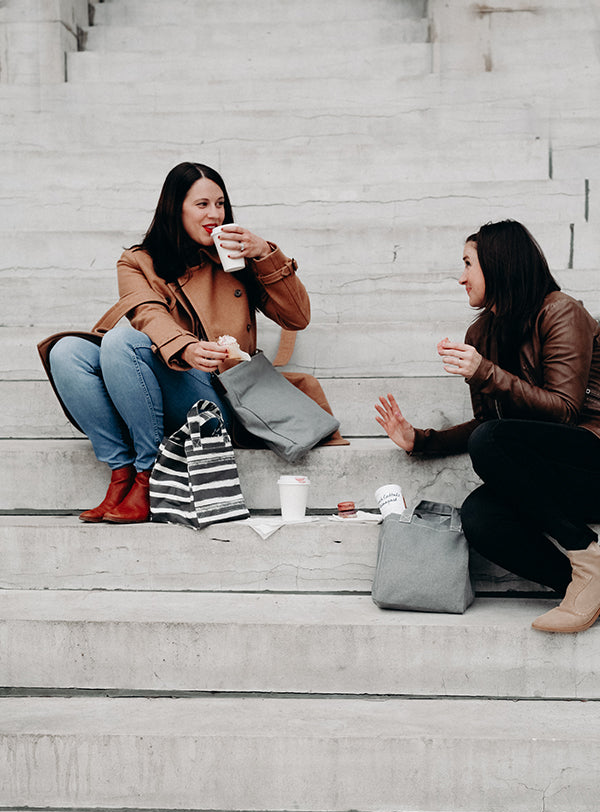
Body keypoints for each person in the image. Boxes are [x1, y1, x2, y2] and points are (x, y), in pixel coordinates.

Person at [39, 161, 333, 524]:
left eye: (220, 204)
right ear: (174, 208)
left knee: (122, 341)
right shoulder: (137, 261)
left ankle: (149, 475)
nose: (214, 214)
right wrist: (185, 347)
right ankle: (121, 474)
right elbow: (147, 312)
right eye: (202, 205)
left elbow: (297, 318)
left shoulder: (235, 259)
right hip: (151, 381)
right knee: (67, 351)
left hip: (219, 397)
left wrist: (264, 254)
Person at [375, 219, 600, 634]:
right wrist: (421, 440)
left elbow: (566, 410)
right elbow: (487, 423)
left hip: (590, 460)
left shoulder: (562, 311)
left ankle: (585, 553)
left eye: (468, 264)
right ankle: (578, 586)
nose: (460, 277)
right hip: (545, 474)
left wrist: (486, 373)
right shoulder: (481, 332)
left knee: (491, 441)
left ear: (499, 266)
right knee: (480, 515)